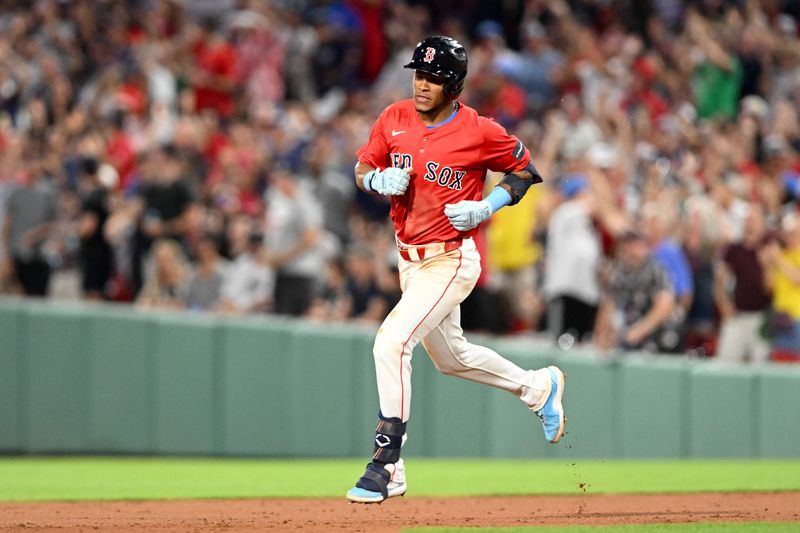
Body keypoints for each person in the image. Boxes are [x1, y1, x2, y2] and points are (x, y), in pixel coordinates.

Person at [345, 36, 566, 504]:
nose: (422, 84)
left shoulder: (479, 130)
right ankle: (537, 386)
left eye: (434, 78)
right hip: (408, 258)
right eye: (419, 74)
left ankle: (385, 462)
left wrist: (490, 204)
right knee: (452, 359)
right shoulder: (394, 117)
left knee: (391, 342)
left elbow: (525, 170)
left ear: (455, 84)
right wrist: (375, 180)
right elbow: (363, 168)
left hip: (450, 258)